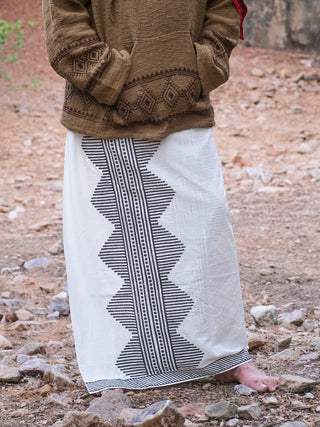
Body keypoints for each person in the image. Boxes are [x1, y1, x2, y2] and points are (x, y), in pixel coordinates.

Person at [42, 0, 277, 394]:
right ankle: (115, 368)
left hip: (187, 107)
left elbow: (223, 10)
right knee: (112, 248)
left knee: (205, 233)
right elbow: (64, 25)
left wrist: (198, 68)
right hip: (105, 113)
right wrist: (117, 79)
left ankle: (224, 356)